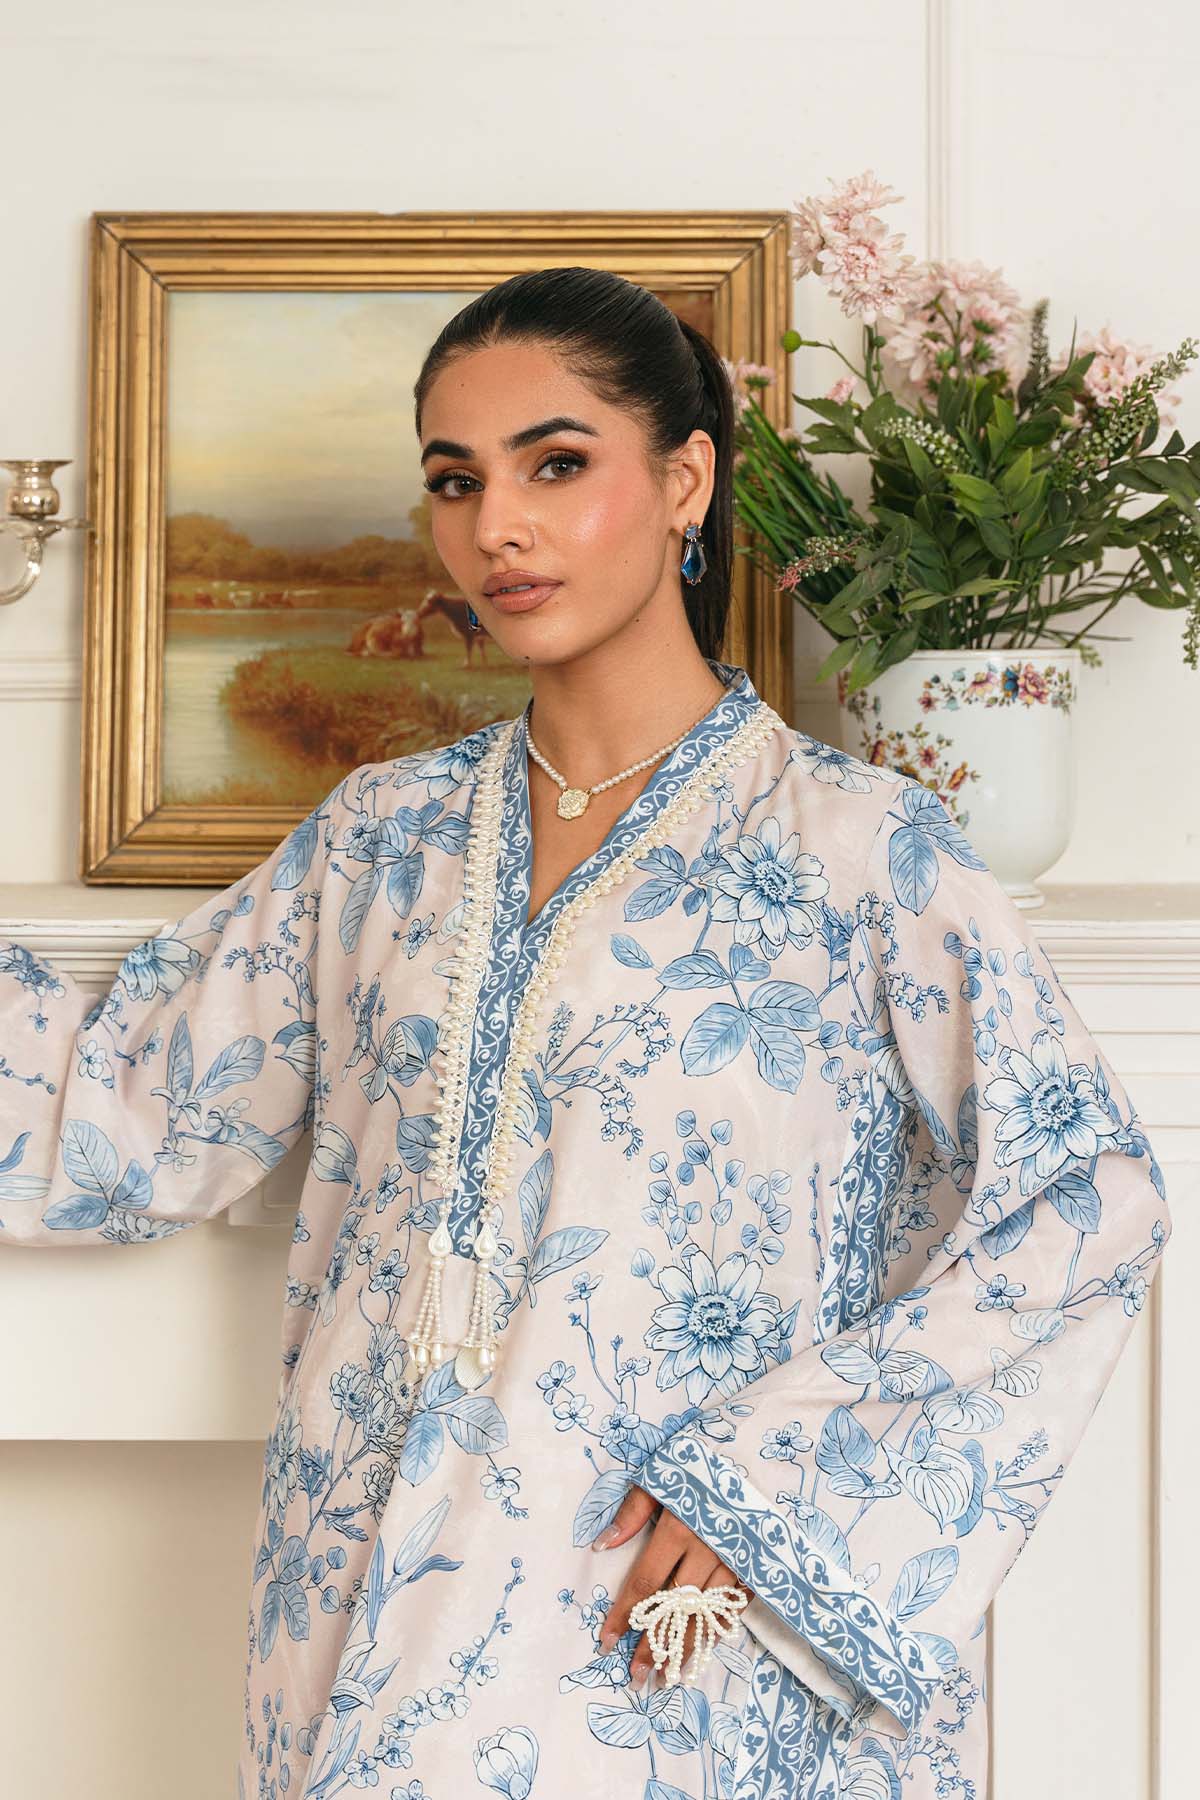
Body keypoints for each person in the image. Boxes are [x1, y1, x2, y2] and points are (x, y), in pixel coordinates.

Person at [0, 266, 1171, 1800]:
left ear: (686, 481)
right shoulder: (384, 838)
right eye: (455, 481)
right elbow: (122, 1107)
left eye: (555, 465)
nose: (497, 525)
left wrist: (775, 1489)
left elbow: (1087, 1198)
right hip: (369, 1593)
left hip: (679, 1618)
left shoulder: (859, 848)